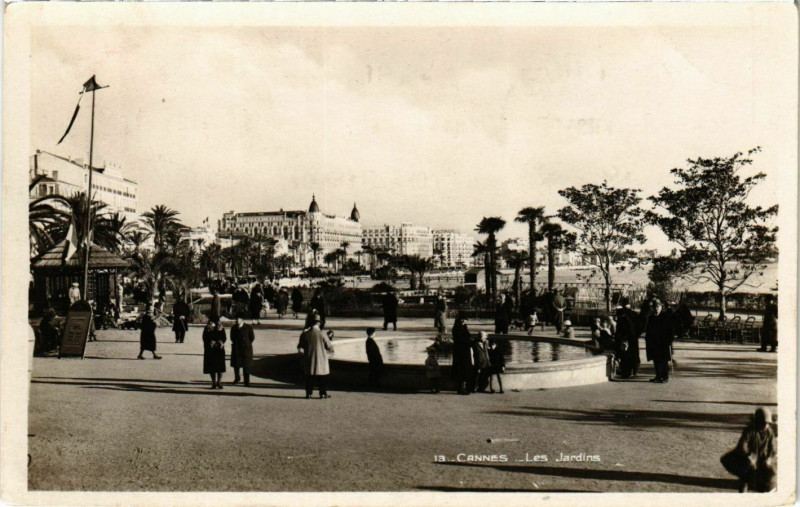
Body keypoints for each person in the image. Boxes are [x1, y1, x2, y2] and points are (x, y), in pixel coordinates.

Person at [725, 407, 777, 492]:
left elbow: (772, 448)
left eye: (767, 423)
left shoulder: (769, 432)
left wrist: (769, 458)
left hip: (762, 459)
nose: (765, 425)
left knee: (770, 476)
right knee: (745, 477)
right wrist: (749, 456)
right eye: (763, 423)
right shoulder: (750, 430)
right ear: (757, 422)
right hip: (748, 459)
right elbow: (742, 445)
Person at [297, 314, 333, 399]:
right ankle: (322, 393)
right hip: (321, 359)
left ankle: (308, 393)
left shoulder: (305, 334)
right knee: (322, 377)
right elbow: (329, 347)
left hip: (309, 358)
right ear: (318, 323)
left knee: (309, 377)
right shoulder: (322, 334)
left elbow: (300, 346)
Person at [645, 299, 676, 383]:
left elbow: (671, 331)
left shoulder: (666, 317)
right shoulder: (651, 318)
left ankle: (665, 377)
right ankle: (658, 376)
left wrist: (669, 341)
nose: (656, 309)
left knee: (663, 361)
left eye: (658, 307)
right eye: (655, 307)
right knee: (656, 360)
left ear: (661, 307)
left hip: (664, 343)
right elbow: (648, 330)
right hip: (654, 343)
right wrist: (648, 340)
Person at [614, 298, 641, 379]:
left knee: (625, 355)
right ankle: (634, 370)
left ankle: (626, 372)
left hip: (624, 338)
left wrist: (618, 337)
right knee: (634, 354)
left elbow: (619, 328)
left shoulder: (621, 314)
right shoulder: (635, 314)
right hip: (633, 338)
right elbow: (639, 327)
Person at [450, 313, 474, 395]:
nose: (464, 321)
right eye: (462, 319)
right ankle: (461, 388)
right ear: (459, 319)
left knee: (463, 368)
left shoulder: (462, 326)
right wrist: (470, 342)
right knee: (461, 368)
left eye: (465, 320)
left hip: (464, 351)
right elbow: (461, 339)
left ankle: (462, 388)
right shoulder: (457, 328)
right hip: (460, 351)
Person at [230, 315, 255, 386]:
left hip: (246, 349)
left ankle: (246, 381)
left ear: (242, 320)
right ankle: (237, 378)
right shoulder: (234, 327)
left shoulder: (248, 327)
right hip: (236, 348)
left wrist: (246, 343)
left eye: (239, 319)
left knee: (246, 365)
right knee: (236, 365)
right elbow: (232, 337)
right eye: (236, 318)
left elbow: (252, 337)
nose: (237, 320)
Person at [202, 321, 227, 389]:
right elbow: (204, 337)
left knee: (220, 367)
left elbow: (224, 337)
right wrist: (210, 342)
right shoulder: (207, 327)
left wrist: (220, 342)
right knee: (211, 367)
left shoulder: (221, 327)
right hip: (210, 349)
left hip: (219, 349)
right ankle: (214, 382)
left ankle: (219, 382)